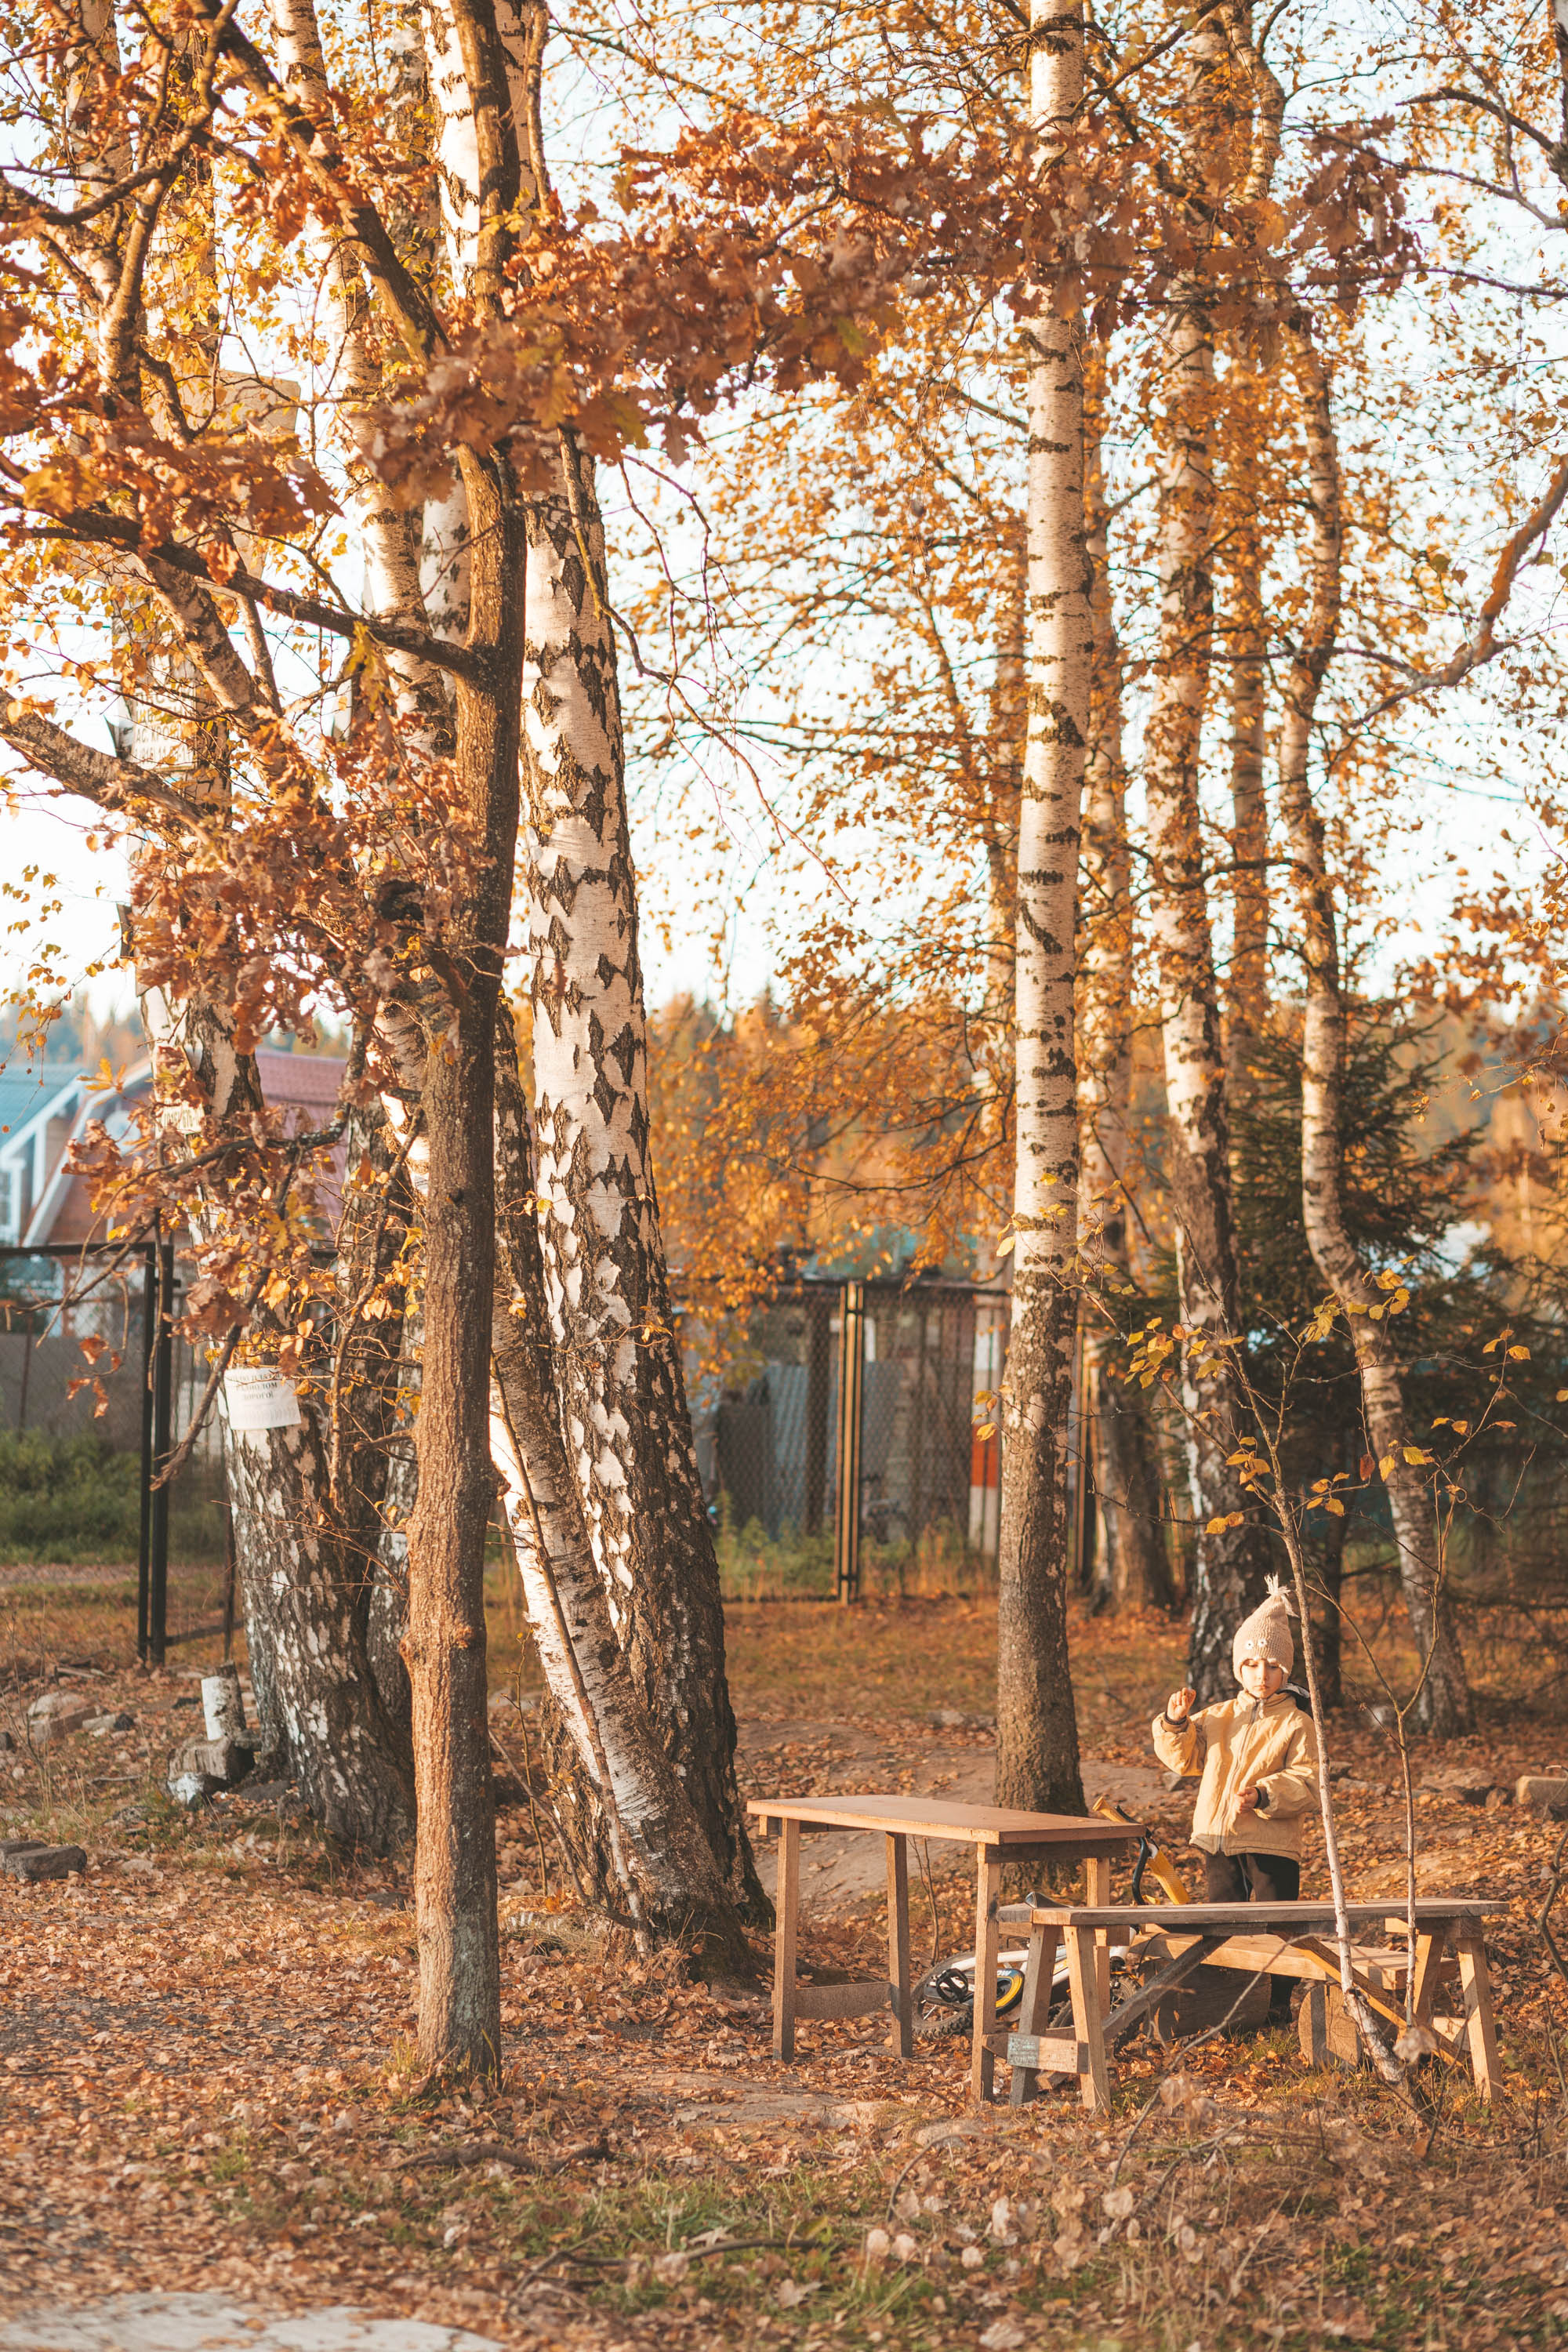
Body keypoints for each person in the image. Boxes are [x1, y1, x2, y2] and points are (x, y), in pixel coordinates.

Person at [1151, 1582, 1319, 2023]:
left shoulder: (1297, 1723)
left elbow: (1307, 1779)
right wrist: (1175, 1722)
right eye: (1251, 1664)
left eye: (1272, 1666)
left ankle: (1278, 2003)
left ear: (1286, 1671)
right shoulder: (1219, 1715)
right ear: (1237, 1669)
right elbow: (1183, 1759)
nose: (1261, 1674)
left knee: (1276, 1924)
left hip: (1271, 1843)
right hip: (1218, 1839)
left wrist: (1264, 1794)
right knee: (1223, 1924)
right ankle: (1232, 2003)